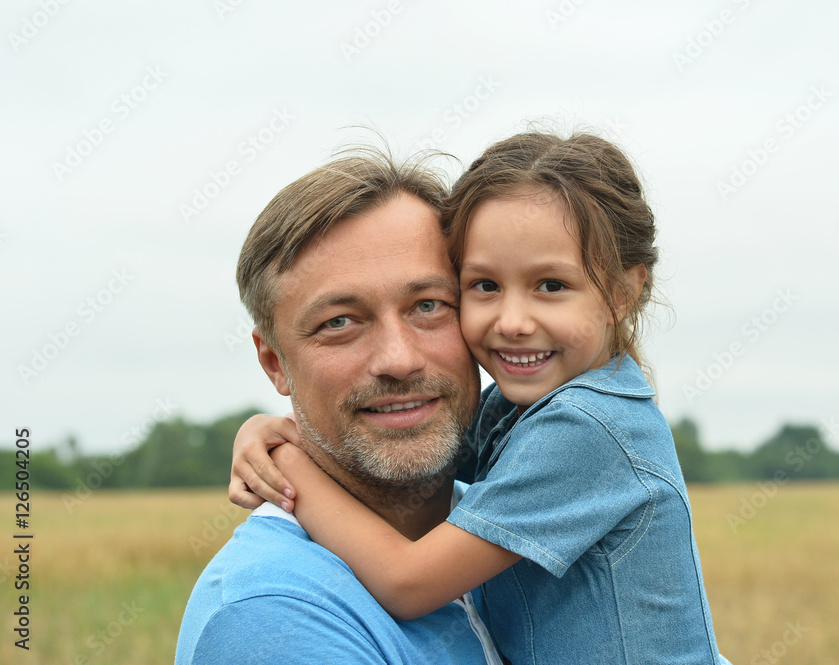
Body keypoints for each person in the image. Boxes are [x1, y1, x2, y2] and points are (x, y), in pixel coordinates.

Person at [235, 132, 730, 664]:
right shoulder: (514, 412)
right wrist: (267, 430)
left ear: (624, 291)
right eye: (485, 286)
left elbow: (409, 583)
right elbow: (409, 443)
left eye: (551, 285)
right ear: (273, 361)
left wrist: (289, 465)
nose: (512, 322)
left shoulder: (590, 429)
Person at [174, 149, 503, 665]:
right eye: (339, 322)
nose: (398, 360)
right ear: (274, 361)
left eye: (429, 306)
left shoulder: (515, 518)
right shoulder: (270, 615)